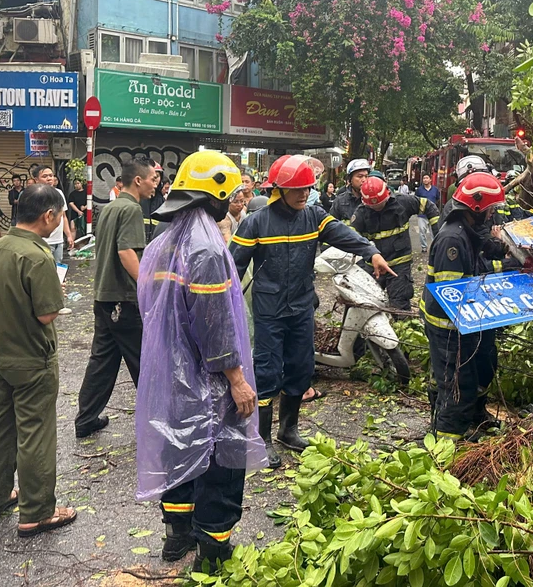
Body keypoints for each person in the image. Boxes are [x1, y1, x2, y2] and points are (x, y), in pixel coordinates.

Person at [137, 151, 267, 568]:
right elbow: (215, 324)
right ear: (215, 193)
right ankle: (212, 553)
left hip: (173, 374)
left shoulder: (163, 243)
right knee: (222, 462)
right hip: (208, 379)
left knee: (180, 451)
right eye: (230, 195)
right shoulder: (206, 248)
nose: (234, 202)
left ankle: (176, 539)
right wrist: (236, 378)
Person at [230, 155, 395, 468]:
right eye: (297, 189)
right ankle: (260, 439)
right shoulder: (257, 222)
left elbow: (343, 235)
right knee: (266, 372)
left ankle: (288, 431)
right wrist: (222, 301)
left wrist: (371, 252)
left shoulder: (314, 216)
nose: (304, 194)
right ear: (278, 189)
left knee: (301, 367)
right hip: (270, 309)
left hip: (302, 307)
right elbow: (233, 263)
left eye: (307, 188)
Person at [0, 183, 77, 538]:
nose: (59, 221)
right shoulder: (37, 256)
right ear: (49, 216)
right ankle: (36, 512)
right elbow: (47, 313)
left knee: (1, 423)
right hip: (32, 358)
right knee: (35, 432)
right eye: (60, 215)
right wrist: (56, 293)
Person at [421, 172, 511, 439]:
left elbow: (485, 246)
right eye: (491, 208)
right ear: (477, 208)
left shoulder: (467, 230)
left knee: (476, 375)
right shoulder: (453, 240)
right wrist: (503, 272)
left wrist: (508, 251)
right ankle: (445, 449)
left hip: (465, 324)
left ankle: (467, 424)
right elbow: (454, 293)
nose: (493, 213)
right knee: (457, 389)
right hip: (448, 327)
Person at [74, 158, 157, 439]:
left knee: (103, 360)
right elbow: (126, 253)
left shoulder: (110, 207)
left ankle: (86, 418)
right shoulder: (132, 209)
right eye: (152, 179)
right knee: (143, 361)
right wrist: (148, 285)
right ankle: (157, 424)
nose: (155, 185)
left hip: (104, 297)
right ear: (138, 180)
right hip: (124, 299)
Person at [351, 176, 439, 311]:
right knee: (367, 305)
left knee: (399, 307)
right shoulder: (361, 213)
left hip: (399, 266)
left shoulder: (402, 202)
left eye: (380, 205)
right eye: (373, 206)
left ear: (387, 194)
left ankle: (401, 329)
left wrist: (438, 237)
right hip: (374, 267)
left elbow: (429, 207)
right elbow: (351, 239)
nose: (377, 208)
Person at [33, 166, 73, 264]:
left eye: (51, 175)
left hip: (58, 241)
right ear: (36, 180)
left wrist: (69, 235)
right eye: (45, 176)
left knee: (58, 268)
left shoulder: (59, 193)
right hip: (43, 242)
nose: (49, 178)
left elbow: (63, 216)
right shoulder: (34, 195)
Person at [414, 173, 441, 252]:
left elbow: (438, 200)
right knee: (422, 231)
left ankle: (434, 247)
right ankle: (424, 247)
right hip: (422, 214)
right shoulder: (419, 190)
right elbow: (416, 200)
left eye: (427, 178)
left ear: (430, 180)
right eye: (424, 178)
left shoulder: (435, 190)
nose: (425, 180)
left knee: (434, 231)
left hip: (433, 215)